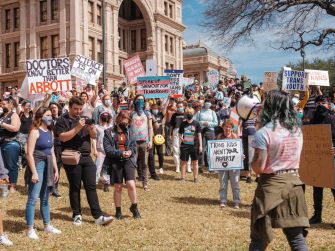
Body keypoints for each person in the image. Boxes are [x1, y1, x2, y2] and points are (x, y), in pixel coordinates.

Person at [249, 90, 309, 251]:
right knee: (296, 239)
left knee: (258, 240)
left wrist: (249, 161)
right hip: (294, 185)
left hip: (270, 186)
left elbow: (258, 168)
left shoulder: (263, 133)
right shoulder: (297, 130)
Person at [55, 96, 113, 226]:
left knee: (91, 186)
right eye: (75, 109)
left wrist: (91, 128)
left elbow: (93, 136)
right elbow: (63, 138)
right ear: (70, 107)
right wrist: (77, 128)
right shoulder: (62, 120)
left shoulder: (84, 119)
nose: (78, 111)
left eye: (80, 109)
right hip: (72, 157)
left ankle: (98, 216)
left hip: (87, 157)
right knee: (75, 187)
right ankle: (77, 214)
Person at [25, 107, 61, 240]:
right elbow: (29, 154)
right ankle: (30, 228)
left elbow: (51, 152)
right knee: (33, 198)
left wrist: (56, 169)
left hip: (48, 165)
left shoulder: (50, 132)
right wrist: (34, 172)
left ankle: (47, 225)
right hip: (38, 164)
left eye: (51, 115)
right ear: (40, 116)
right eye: (47, 115)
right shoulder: (35, 131)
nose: (50, 117)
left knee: (46, 198)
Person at [103, 111, 141, 219]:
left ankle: (134, 207)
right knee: (118, 187)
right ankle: (118, 211)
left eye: (127, 121)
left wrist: (130, 152)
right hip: (115, 161)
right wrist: (121, 153)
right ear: (118, 120)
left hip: (128, 161)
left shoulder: (130, 132)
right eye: (123, 120)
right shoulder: (108, 132)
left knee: (131, 185)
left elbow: (134, 147)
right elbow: (108, 150)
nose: (125, 123)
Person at [309, 95, 335, 224]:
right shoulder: (313, 119)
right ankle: (317, 215)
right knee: (317, 187)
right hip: (317, 157)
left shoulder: (333, 118)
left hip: (331, 157)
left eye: (322, 103)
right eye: (317, 103)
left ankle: (317, 215)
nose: (319, 106)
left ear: (327, 104)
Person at [129, 94, 153, 191]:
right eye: (138, 100)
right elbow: (128, 127)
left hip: (144, 142)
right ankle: (133, 182)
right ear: (135, 101)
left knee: (144, 163)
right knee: (133, 163)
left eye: (142, 100)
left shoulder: (147, 114)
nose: (140, 102)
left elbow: (150, 127)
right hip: (133, 142)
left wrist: (151, 140)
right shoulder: (131, 114)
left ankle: (145, 183)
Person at [216, 120, 241, 208]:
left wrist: (242, 156)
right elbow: (215, 151)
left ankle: (237, 202)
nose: (227, 128)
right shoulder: (219, 137)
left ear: (232, 128)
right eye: (226, 126)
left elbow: (240, 150)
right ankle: (223, 200)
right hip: (222, 165)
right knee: (223, 184)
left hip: (234, 165)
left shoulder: (236, 137)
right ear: (223, 127)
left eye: (229, 127)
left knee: (235, 184)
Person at [0, 97, 21, 192]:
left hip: (11, 144)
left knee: (11, 165)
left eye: (4, 104)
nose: (2, 105)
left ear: (10, 104)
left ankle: (12, 185)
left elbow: (15, 128)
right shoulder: (1, 116)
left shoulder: (14, 115)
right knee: (2, 167)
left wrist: (2, 124)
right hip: (1, 144)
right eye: (1, 104)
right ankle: (4, 186)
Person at [194, 98, 218, 172]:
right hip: (202, 131)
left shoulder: (212, 112)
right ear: (204, 103)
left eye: (209, 102)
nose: (208, 103)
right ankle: (201, 165)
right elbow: (196, 122)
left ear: (211, 104)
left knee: (211, 149)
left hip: (210, 131)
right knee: (201, 148)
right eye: (206, 102)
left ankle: (212, 166)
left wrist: (209, 124)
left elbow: (216, 123)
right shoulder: (200, 112)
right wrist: (202, 123)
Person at [178, 108, 202, 182]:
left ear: (193, 113)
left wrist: (201, 146)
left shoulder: (196, 123)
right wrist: (182, 139)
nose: (189, 114)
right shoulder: (183, 123)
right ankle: (183, 178)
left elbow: (199, 135)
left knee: (195, 161)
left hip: (194, 145)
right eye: (188, 112)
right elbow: (179, 134)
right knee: (184, 161)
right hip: (185, 145)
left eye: (191, 113)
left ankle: (195, 178)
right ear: (185, 114)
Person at [93, 111, 113, 192]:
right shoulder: (96, 127)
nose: (105, 118)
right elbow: (94, 138)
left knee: (106, 168)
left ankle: (106, 183)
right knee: (97, 167)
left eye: (106, 116)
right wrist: (94, 149)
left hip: (108, 151)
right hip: (100, 150)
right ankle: (94, 182)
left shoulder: (111, 127)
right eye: (103, 116)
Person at [49, 103, 62, 197]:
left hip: (59, 145)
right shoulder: (47, 119)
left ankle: (55, 188)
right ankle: (48, 187)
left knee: (57, 166)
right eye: (52, 108)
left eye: (55, 107)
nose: (54, 109)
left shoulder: (62, 119)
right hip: (48, 144)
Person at [148, 104, 164, 178]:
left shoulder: (161, 115)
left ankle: (161, 167)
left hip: (159, 137)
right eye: (154, 108)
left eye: (156, 108)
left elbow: (164, 107)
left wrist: (167, 98)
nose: (155, 109)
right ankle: (152, 168)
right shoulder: (149, 115)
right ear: (151, 108)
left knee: (160, 153)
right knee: (151, 155)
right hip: (152, 137)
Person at [170, 101, 186, 173]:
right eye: (178, 107)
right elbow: (171, 126)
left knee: (185, 148)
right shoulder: (174, 115)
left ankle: (187, 165)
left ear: (184, 107)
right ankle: (177, 165)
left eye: (181, 106)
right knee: (176, 148)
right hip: (176, 131)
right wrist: (170, 134)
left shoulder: (186, 114)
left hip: (185, 131)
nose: (180, 108)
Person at [18, 100, 33, 169]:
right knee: (22, 149)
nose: (29, 107)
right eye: (27, 106)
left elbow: (39, 107)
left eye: (30, 106)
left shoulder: (31, 114)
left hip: (30, 134)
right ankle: (20, 164)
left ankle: (27, 163)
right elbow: (17, 105)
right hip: (21, 134)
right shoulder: (20, 113)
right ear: (23, 107)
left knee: (29, 150)